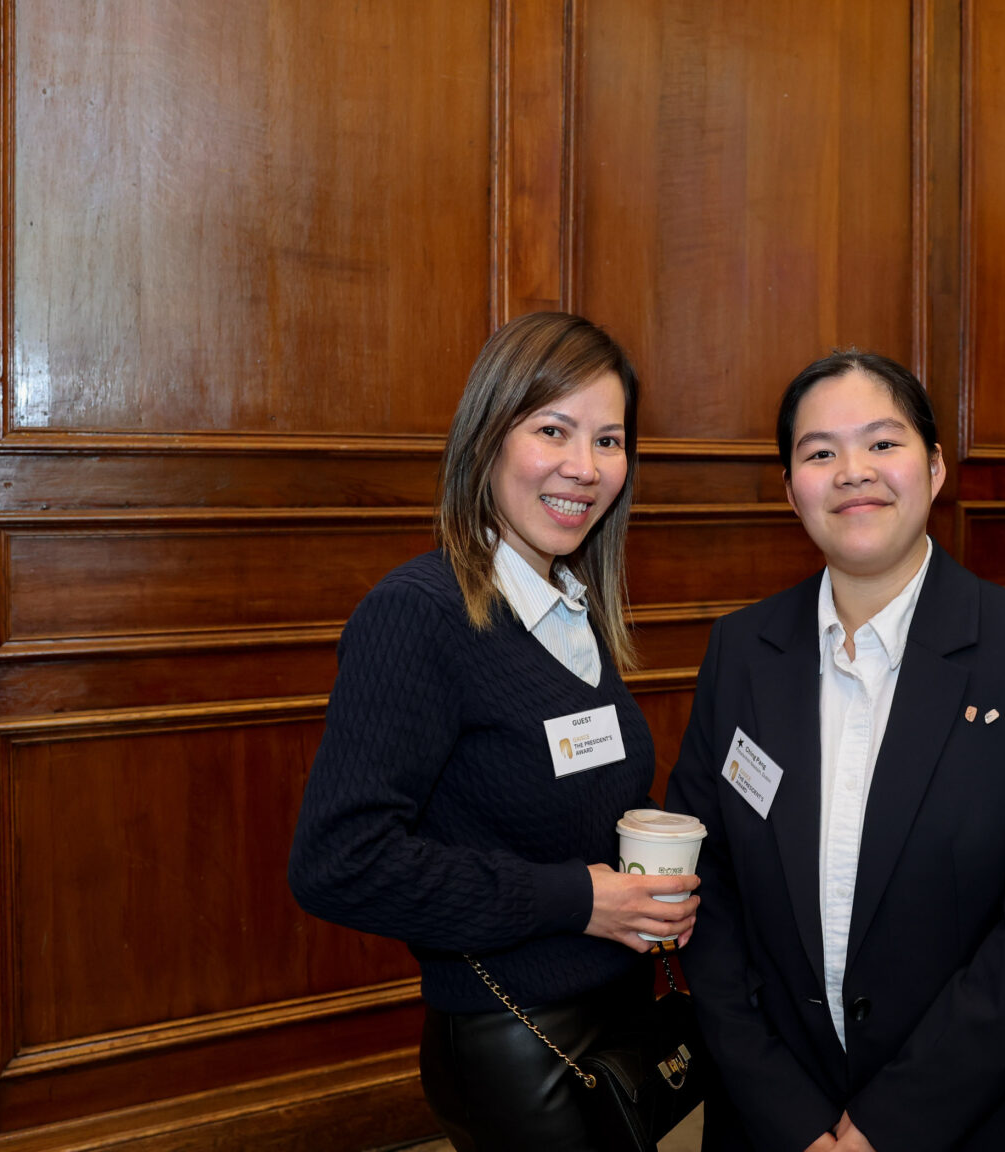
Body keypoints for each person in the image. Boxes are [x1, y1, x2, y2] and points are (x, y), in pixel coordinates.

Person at [666, 352, 1005, 1152]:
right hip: (774, 1121)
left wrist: (888, 1127)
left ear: (934, 467)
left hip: (978, 1116)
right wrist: (790, 1117)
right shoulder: (741, 652)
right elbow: (709, 891)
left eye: (882, 443)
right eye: (820, 452)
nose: (853, 472)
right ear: (790, 487)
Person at [288, 312, 699, 1152]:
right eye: (553, 430)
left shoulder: (572, 610)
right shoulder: (418, 615)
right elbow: (338, 863)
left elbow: (552, 797)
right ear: (487, 437)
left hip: (617, 1020)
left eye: (609, 440)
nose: (584, 467)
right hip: (520, 1045)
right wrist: (581, 899)